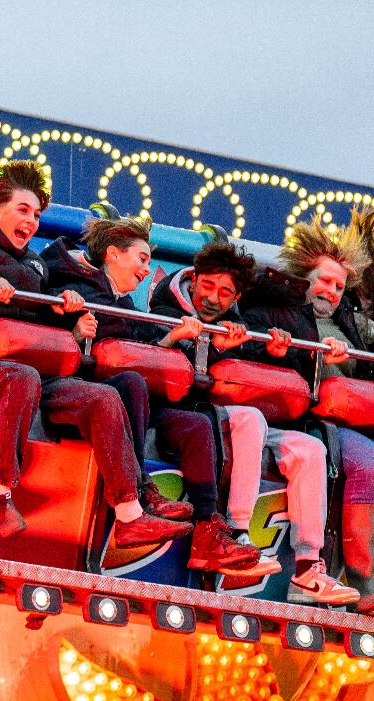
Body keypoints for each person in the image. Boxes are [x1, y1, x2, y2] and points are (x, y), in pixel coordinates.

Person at [0, 159, 192, 548]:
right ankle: (1, 497)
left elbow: (43, 317)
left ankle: (130, 514)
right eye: (23, 210)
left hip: (40, 373)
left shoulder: (35, 263)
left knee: (105, 395)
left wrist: (67, 315)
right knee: (21, 376)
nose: (31, 220)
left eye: (37, 214)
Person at [41, 216, 269, 575]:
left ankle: (208, 532)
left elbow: (145, 346)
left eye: (149, 262)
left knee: (195, 424)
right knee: (132, 382)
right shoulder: (70, 283)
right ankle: (139, 495)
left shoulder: (128, 306)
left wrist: (175, 341)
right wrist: (72, 330)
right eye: (143, 260)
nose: (148, 270)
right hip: (74, 392)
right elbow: (45, 323)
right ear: (113, 255)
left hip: (136, 400)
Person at [149, 240, 359, 606]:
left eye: (225, 293)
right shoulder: (165, 305)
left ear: (235, 297)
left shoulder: (239, 320)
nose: (213, 298)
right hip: (195, 411)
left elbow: (254, 358)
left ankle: (308, 568)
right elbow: (164, 356)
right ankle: (237, 534)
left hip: (234, 410)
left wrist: (276, 351)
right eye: (208, 287)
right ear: (194, 280)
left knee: (311, 448)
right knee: (251, 418)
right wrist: (208, 344)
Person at [242, 211, 373, 611]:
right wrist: (309, 358)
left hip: (352, 417)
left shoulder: (347, 319)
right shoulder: (279, 311)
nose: (331, 291)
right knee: (367, 463)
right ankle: (363, 580)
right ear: (304, 279)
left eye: (338, 286)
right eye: (325, 282)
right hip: (315, 423)